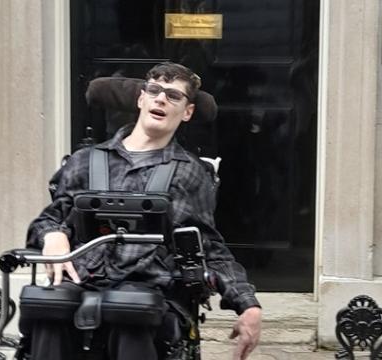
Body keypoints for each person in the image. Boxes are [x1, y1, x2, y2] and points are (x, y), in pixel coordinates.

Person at [25, 62, 262, 359]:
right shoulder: (85, 161)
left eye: (173, 96)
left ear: (187, 112)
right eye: (154, 91)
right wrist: (53, 235)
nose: (161, 99)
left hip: (148, 293)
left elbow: (208, 246)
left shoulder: (188, 173)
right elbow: (47, 219)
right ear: (141, 99)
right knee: (49, 304)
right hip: (81, 280)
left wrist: (247, 304)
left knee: (129, 307)